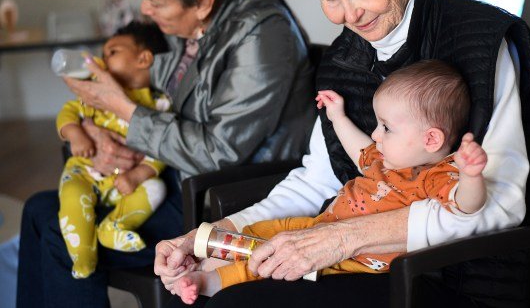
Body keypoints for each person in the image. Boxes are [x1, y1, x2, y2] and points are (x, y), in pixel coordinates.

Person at [155, 0, 530, 306]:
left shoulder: (480, 40)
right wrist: (209, 238)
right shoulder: (342, 60)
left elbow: (500, 204)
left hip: (451, 275)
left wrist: (341, 237)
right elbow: (318, 180)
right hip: (354, 257)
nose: (349, 15)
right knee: (217, 287)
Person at [17, 0, 315, 308]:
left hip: (225, 198)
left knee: (58, 229)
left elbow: (218, 153)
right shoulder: (198, 28)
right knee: (39, 209)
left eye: (155, 1)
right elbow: (141, 80)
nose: (144, 9)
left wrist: (123, 109)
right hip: (176, 176)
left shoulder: (262, 35)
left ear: (203, 2)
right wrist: (90, 126)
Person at [171, 60, 488, 304]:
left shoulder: (437, 176)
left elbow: (465, 205)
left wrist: (472, 176)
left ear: (431, 139)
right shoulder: (388, 159)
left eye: (386, 128)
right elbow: (358, 148)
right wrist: (338, 118)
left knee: (273, 263)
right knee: (261, 233)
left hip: (353, 261)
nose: (376, 135)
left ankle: (210, 284)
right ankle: (205, 262)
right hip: (318, 226)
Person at [57, 22, 170, 279]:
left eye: (113, 52)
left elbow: (162, 148)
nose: (103, 60)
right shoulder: (94, 94)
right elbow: (68, 112)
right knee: (72, 195)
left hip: (125, 182)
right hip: (86, 171)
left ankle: (115, 226)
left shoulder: (159, 104)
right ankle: (83, 256)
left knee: (156, 188)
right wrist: (75, 134)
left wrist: (138, 174)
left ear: (143, 59)